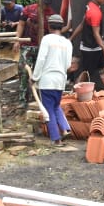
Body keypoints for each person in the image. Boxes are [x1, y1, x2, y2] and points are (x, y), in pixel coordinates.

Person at [31, 14, 75, 145]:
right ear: (62, 27)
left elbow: (41, 60)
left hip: (47, 80)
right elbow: (68, 65)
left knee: (48, 109)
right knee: (56, 106)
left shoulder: (47, 39)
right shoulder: (67, 43)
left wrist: (34, 78)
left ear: (49, 26)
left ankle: (56, 139)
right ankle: (66, 129)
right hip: (60, 81)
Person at [69, 0, 104, 98]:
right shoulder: (95, 13)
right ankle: (73, 95)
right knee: (85, 75)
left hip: (94, 48)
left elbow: (82, 24)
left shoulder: (90, 6)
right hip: (91, 49)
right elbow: (96, 34)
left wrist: (71, 38)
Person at [16, 0, 57, 106]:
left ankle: (41, 98)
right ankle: (23, 99)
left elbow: (54, 32)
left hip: (42, 47)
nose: (45, 5)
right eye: (43, 2)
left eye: (47, 3)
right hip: (27, 45)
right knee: (24, 70)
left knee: (42, 73)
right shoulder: (29, 9)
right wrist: (17, 39)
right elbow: (21, 24)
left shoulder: (51, 14)